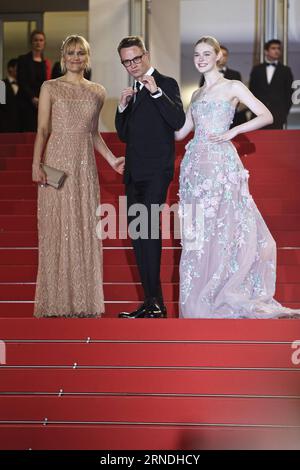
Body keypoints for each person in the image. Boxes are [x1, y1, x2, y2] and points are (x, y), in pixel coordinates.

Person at [175, 36, 300, 319]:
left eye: (207, 53)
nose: (201, 58)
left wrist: (234, 131)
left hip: (221, 164)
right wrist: (154, 99)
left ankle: (226, 290)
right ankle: (200, 299)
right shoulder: (196, 95)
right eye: (197, 54)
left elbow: (266, 115)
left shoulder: (233, 86)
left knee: (227, 225)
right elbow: (180, 133)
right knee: (200, 232)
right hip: (195, 166)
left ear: (218, 56)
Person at [32, 35, 124, 318]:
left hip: (84, 167)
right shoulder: (50, 87)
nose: (75, 57)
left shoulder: (97, 91)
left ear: (87, 57)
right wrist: (36, 164)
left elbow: (93, 134)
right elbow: (44, 130)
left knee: (83, 229)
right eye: (71, 52)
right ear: (63, 56)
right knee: (56, 228)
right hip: (56, 162)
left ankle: (84, 302)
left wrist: (111, 160)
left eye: (80, 53)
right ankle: (55, 301)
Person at [115, 36, 185, 319]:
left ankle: (156, 302)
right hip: (134, 172)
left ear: (146, 55)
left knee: (149, 230)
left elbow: (178, 121)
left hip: (157, 171)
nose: (132, 65)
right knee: (137, 234)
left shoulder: (166, 83)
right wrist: (121, 107)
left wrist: (156, 93)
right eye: (126, 61)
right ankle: (149, 301)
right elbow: (124, 134)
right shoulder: (131, 91)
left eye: (136, 59)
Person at [249, 39, 294, 129]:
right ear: (266, 51)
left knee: (276, 141)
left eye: (278, 48)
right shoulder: (257, 69)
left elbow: (289, 93)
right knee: (258, 141)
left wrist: (284, 112)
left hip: (278, 115)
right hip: (259, 115)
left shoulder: (286, 70)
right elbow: (251, 92)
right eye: (273, 48)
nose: (277, 51)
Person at [200, 45, 247, 127]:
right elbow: (202, 94)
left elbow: (239, 96)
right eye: (219, 55)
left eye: (224, 55)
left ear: (227, 57)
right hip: (211, 118)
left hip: (232, 116)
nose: (222, 57)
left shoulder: (235, 74)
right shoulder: (206, 74)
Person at [17, 30, 51, 132]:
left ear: (44, 43)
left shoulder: (45, 62)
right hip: (26, 102)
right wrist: (32, 97)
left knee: (40, 132)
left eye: (41, 40)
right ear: (31, 42)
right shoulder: (23, 59)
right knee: (27, 132)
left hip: (41, 103)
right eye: (35, 40)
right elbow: (22, 81)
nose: (38, 43)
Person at [0, 58, 20, 132]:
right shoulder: (1, 84)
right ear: (10, 69)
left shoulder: (23, 85)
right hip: (5, 126)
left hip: (20, 127)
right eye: (18, 67)